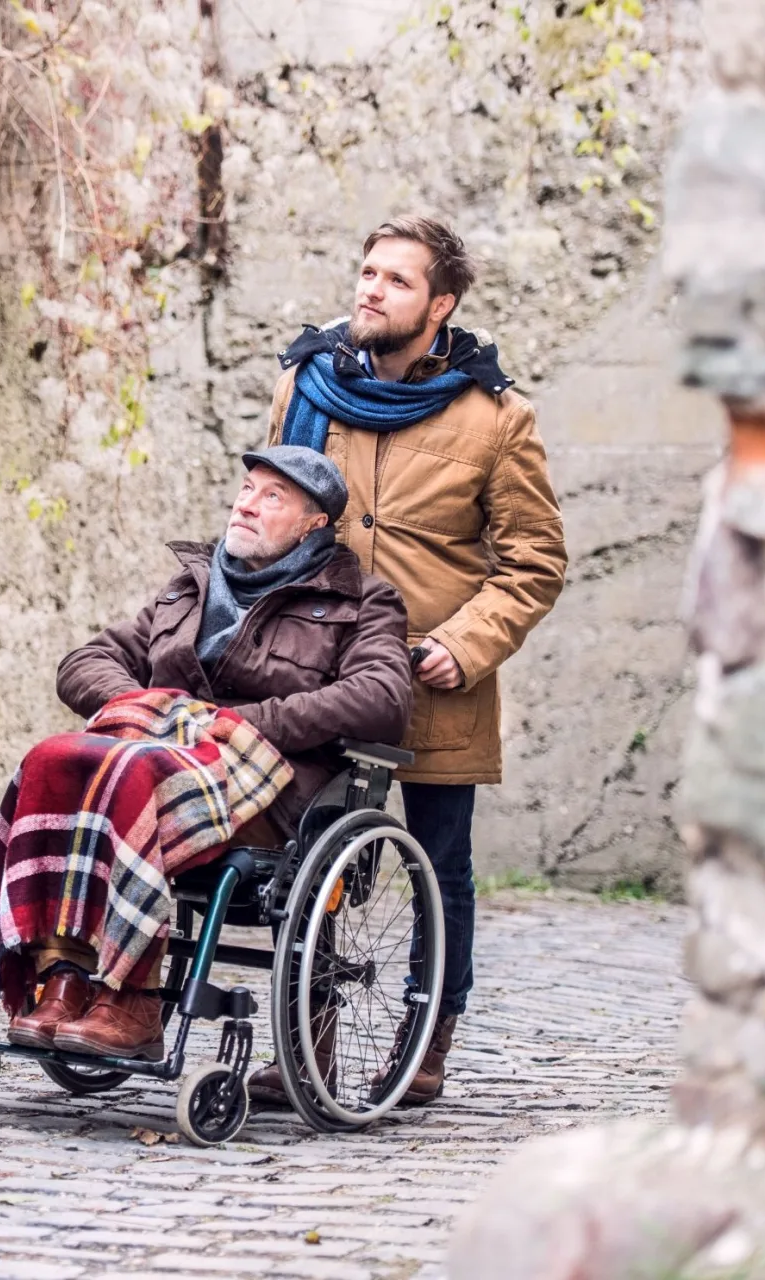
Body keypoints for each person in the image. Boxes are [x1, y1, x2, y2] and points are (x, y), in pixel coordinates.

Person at [253, 214, 568, 1107]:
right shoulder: (307, 385)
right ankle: (307, 1043)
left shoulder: (496, 419)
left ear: (440, 306)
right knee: (305, 854)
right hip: (322, 670)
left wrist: (464, 646)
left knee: (440, 863)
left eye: (397, 280)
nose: (372, 290)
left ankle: (429, 1035)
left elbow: (535, 561)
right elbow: (272, 510)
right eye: (368, 272)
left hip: (434, 678)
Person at [0, 447, 412, 1062]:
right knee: (55, 759)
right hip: (164, 761)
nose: (247, 504)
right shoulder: (192, 586)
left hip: (271, 788)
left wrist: (244, 724)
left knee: (134, 771)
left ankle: (131, 998)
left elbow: (382, 697)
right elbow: (85, 662)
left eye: (272, 496)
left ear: (314, 523)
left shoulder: (361, 601)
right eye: (246, 489)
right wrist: (154, 711)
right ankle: (65, 975)